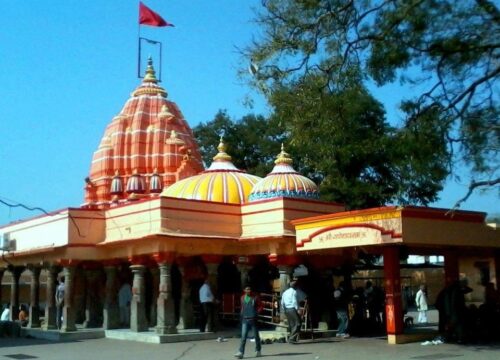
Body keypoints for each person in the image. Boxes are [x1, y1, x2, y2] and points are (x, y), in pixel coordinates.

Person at [234, 285, 262, 359]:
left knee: (256, 336)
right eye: (247, 289)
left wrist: (256, 313)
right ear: (244, 290)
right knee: (243, 336)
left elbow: (260, 306)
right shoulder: (242, 298)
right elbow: (242, 307)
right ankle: (241, 352)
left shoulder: (255, 297)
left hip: (253, 319)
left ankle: (258, 350)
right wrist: (241, 315)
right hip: (245, 319)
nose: (248, 290)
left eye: (249, 289)